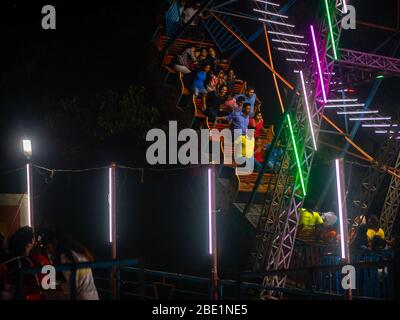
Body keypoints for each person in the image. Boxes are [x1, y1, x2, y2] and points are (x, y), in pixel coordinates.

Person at [43, 232, 99, 300]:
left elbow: (72, 284)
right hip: (93, 295)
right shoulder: (78, 253)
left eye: (48, 247)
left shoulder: (65, 258)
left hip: (81, 296)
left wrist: (53, 287)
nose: (48, 251)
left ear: (55, 243)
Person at [2, 227, 45, 300]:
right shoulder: (25, 262)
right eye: (33, 238)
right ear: (30, 242)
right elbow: (34, 290)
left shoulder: (8, 259)